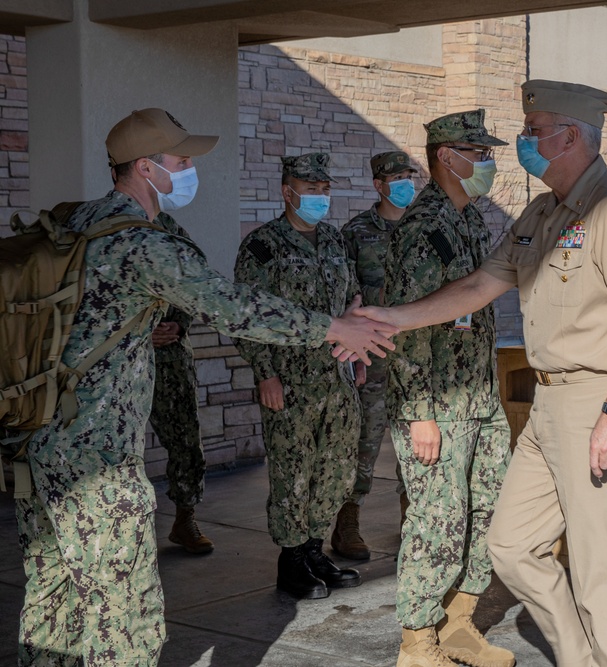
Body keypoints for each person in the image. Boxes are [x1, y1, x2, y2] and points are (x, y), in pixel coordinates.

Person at [354, 80, 607, 667]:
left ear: (570, 136)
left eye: (532, 130)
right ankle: (578, 656)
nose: (522, 141)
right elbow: (476, 286)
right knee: (511, 545)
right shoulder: (541, 210)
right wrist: (388, 317)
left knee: (598, 567)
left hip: (598, 401)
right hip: (548, 407)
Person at [14, 108, 395, 666]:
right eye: (182, 161)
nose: (192, 170)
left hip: (41, 447)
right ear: (146, 168)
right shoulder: (143, 244)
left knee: (52, 608)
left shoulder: (75, 223)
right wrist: (337, 327)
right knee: (126, 623)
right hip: (97, 466)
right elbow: (233, 307)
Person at [382, 110, 514, 667]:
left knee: (488, 512)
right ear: (445, 157)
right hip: (435, 403)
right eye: (475, 152)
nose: (486, 162)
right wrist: (419, 414)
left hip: (478, 397)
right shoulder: (421, 227)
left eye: (487, 152)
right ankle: (418, 642)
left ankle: (459, 622)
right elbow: (405, 324)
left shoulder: (470, 220)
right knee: (438, 519)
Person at [233, 152, 368, 601]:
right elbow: (246, 315)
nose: (319, 197)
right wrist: (264, 374)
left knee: (334, 469)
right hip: (289, 382)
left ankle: (313, 550)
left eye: (325, 189)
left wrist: (359, 353)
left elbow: (352, 300)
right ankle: (290, 560)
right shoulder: (263, 246)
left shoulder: (333, 240)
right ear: (287, 191)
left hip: (337, 377)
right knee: (293, 469)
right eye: (311, 189)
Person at [336, 150, 419, 561]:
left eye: (410, 174)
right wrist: (352, 358)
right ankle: (347, 520)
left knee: (417, 439)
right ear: (379, 184)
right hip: (373, 354)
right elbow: (345, 298)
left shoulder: (424, 228)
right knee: (365, 441)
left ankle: (413, 520)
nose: (406, 182)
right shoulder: (355, 233)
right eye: (398, 176)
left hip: (418, 354)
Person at [148, 218, 214, 555]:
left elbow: (195, 285)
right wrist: (142, 333)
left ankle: (185, 519)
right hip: (120, 360)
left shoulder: (174, 230)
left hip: (172, 355)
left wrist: (178, 325)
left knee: (186, 439)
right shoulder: (109, 226)